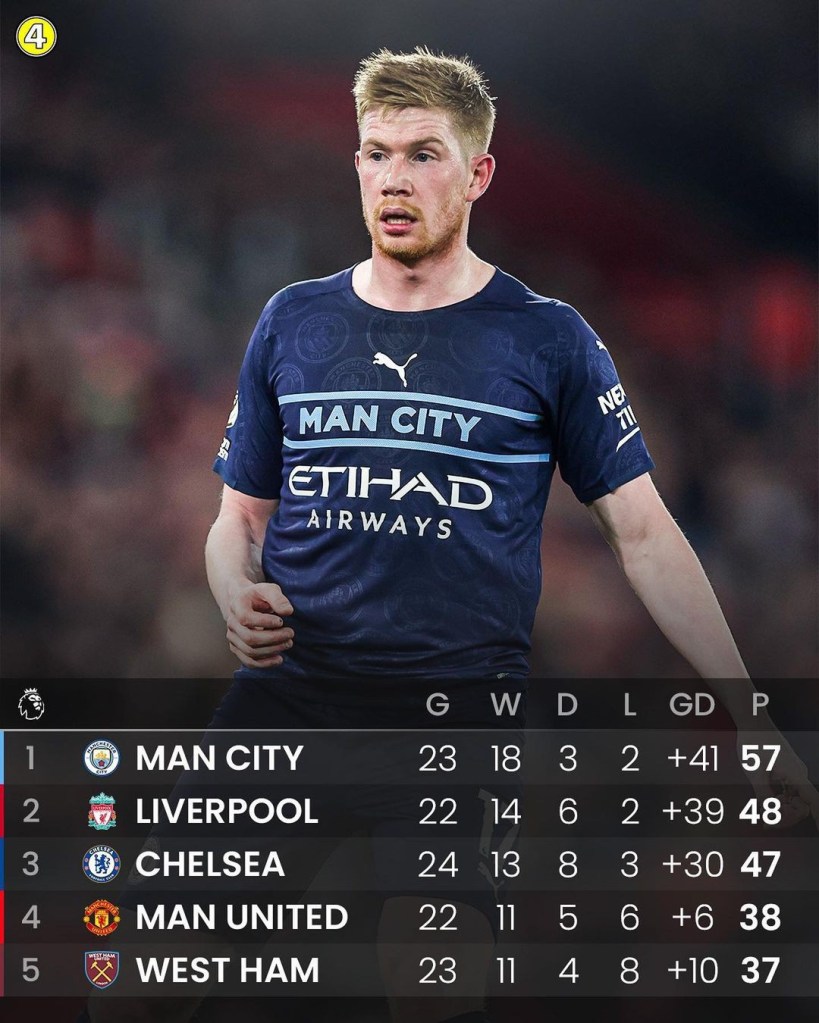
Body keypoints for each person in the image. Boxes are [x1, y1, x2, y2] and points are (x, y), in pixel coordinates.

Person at [85, 46, 816, 1023]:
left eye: (424, 154)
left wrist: (749, 715)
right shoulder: (292, 321)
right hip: (291, 701)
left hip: (452, 718)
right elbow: (237, 521)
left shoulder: (547, 338)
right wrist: (234, 592)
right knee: (140, 975)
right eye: (376, 153)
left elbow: (644, 533)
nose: (394, 177)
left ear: (478, 173)